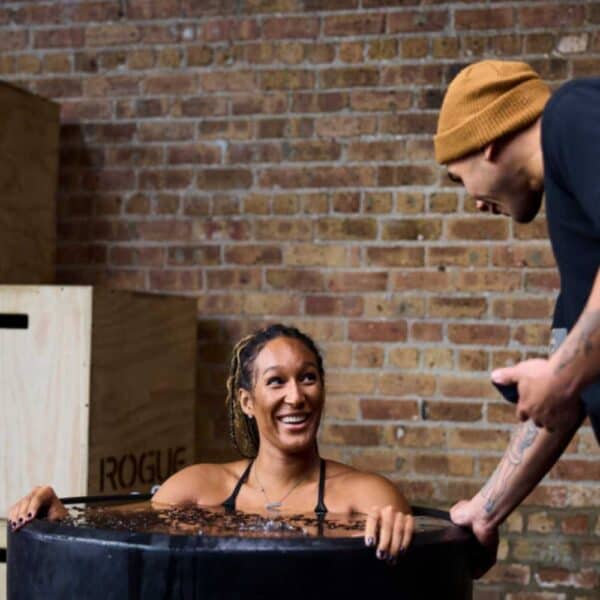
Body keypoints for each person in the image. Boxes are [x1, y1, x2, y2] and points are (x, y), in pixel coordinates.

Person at [9, 323, 414, 563]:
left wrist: (398, 537)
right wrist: (58, 517)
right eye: (276, 381)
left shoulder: (367, 496)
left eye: (307, 378)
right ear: (246, 402)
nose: (296, 396)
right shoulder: (197, 489)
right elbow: (115, 540)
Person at [434, 60, 600, 574]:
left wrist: (562, 374)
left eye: (458, 176)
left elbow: (565, 377)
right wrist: (486, 510)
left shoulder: (572, 116)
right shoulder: (578, 232)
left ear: (487, 140)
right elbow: (564, 403)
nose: (474, 201)